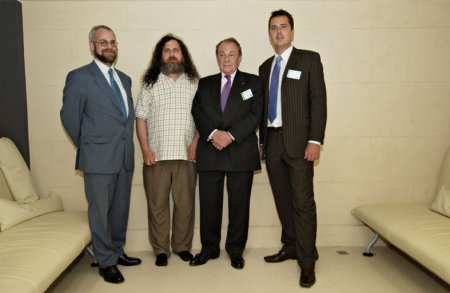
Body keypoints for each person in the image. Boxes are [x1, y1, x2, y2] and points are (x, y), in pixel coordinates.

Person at [60, 25, 141, 284]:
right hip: (98, 158)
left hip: (124, 157)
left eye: (113, 42)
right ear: (92, 46)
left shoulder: (125, 79)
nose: (109, 47)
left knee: (119, 210)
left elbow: (124, 120)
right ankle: (105, 261)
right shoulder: (80, 77)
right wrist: (89, 146)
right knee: (100, 212)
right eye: (103, 42)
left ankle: (117, 252)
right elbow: (69, 117)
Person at [258, 9, 327, 288]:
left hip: (300, 143)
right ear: (269, 33)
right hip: (273, 143)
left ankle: (307, 262)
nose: (278, 31)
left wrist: (315, 140)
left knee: (303, 203)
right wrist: (262, 142)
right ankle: (290, 246)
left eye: (283, 26)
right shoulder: (265, 67)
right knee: (283, 199)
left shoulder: (309, 59)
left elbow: (318, 101)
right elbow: (263, 109)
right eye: (273, 27)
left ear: (292, 31)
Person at [190, 38, 263, 269]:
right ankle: (209, 249)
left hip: (240, 151)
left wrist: (229, 136)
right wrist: (213, 134)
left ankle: (235, 250)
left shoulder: (253, 82)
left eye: (231, 54)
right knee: (209, 205)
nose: (227, 58)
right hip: (210, 151)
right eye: (222, 54)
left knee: (239, 206)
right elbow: (197, 111)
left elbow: (255, 114)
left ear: (239, 57)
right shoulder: (205, 83)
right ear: (217, 58)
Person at [135, 34, 200, 267]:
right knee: (157, 205)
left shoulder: (194, 83)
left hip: (186, 156)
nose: (172, 53)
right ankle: (161, 250)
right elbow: (140, 118)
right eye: (167, 50)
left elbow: (202, 118)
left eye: (176, 50)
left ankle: (182, 247)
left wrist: (195, 143)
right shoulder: (149, 83)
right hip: (156, 156)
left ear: (183, 55)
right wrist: (145, 149)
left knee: (185, 205)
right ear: (160, 56)